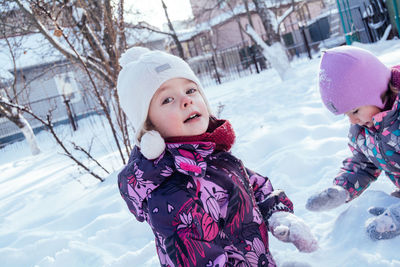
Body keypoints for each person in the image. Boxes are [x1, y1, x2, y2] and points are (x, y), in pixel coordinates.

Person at [117, 47, 317, 266]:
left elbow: (254, 186)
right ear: (149, 127)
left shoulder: (211, 155)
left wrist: (278, 214)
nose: (186, 100)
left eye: (191, 90)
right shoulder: (170, 194)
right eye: (167, 99)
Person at [306, 45, 400, 240]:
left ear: (377, 92)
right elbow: (363, 163)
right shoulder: (363, 130)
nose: (352, 120)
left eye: (355, 111)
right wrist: (341, 190)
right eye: (346, 114)